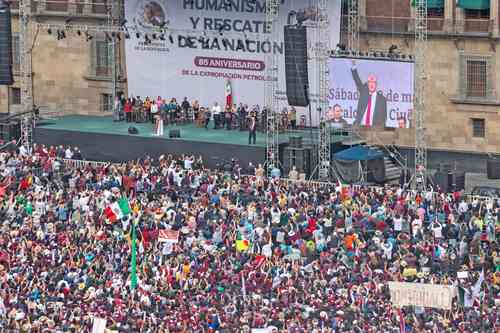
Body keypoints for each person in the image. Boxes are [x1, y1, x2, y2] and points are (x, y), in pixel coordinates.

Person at [351, 59, 387, 127]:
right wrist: (353, 65)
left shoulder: (382, 99)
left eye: (373, 82)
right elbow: (357, 80)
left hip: (373, 131)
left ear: (376, 84)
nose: (371, 84)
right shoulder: (363, 92)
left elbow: (384, 118)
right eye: (370, 82)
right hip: (360, 127)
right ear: (367, 84)